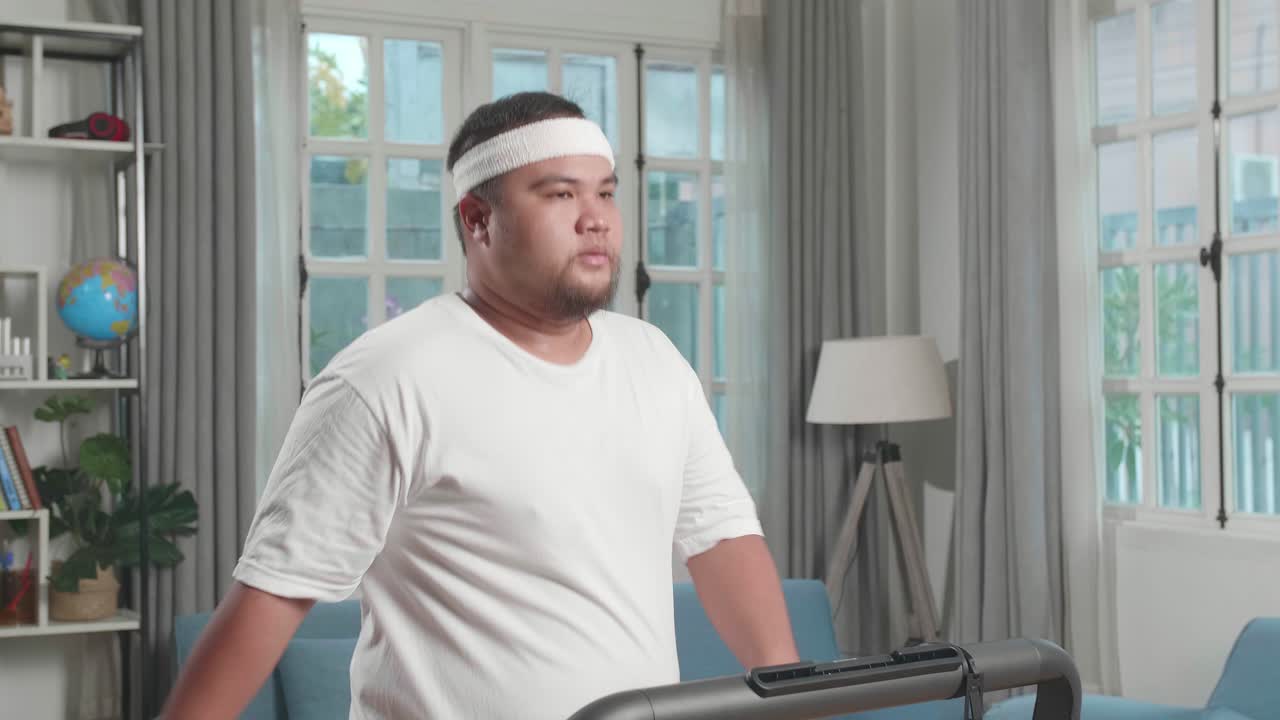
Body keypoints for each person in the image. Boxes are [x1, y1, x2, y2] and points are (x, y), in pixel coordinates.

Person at [161, 92, 798, 720]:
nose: (596, 219)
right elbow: (273, 596)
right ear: (477, 219)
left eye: (605, 193)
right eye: (560, 195)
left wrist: (797, 700)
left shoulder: (653, 360)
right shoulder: (387, 378)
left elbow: (722, 537)